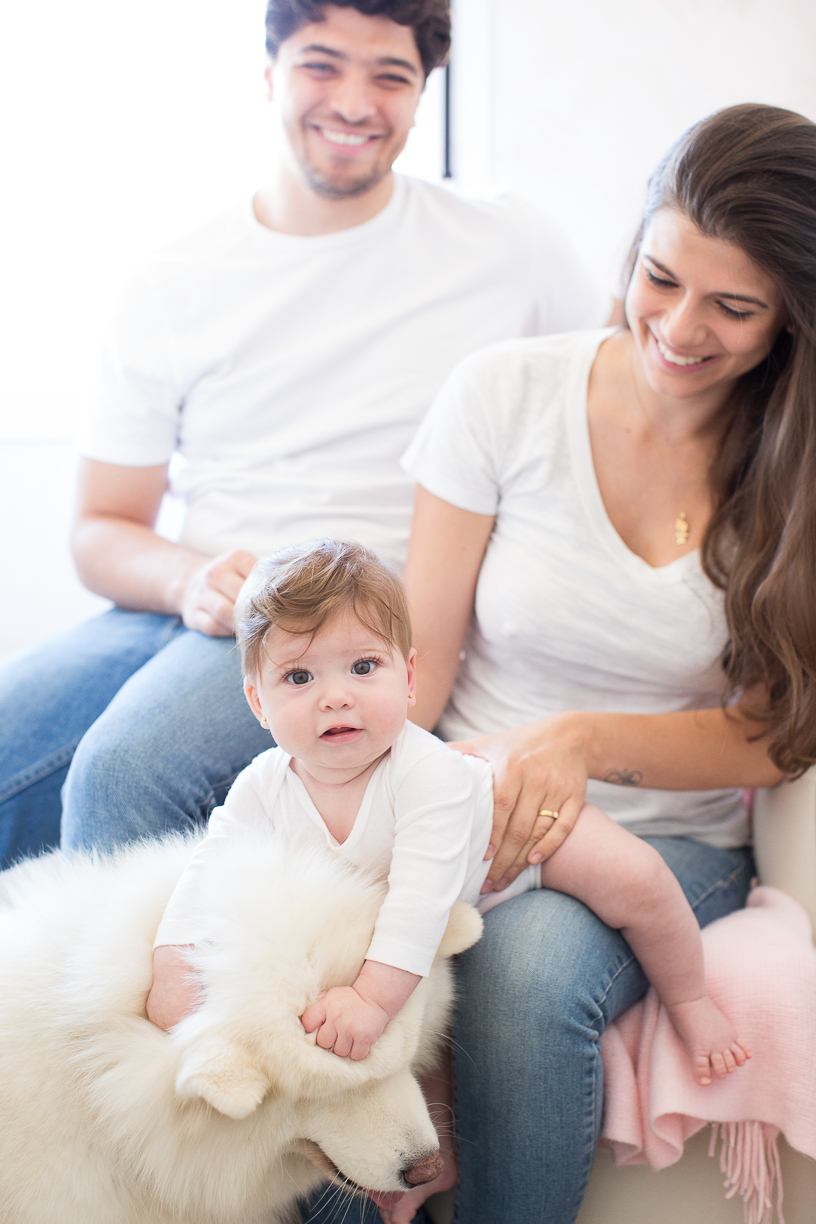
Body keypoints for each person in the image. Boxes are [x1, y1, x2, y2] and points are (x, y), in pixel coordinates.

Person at [0, 0, 609, 869]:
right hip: (202, 605)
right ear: (270, 74)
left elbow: (622, 395)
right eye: (323, 64)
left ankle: (137, 1005)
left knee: (123, 773)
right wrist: (188, 581)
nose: (356, 101)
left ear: (423, 88)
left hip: (344, 622)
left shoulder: (507, 246)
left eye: (390, 75)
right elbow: (100, 529)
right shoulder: (175, 278)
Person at [399, 103, 816, 1224]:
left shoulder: (796, 470)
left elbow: (776, 734)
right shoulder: (504, 393)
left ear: (790, 325)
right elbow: (418, 670)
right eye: (660, 277)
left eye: (733, 308)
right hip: (476, 797)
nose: (679, 329)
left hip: (667, 840)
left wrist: (581, 744)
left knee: (530, 977)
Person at [146, 538, 750, 1224]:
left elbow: (421, 899)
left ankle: (692, 999)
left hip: (514, 847)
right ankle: (427, 1164)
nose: (335, 697)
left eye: (362, 667)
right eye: (299, 679)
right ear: (258, 701)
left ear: (408, 679)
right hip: (439, 914)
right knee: (424, 1022)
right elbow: (208, 866)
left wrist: (371, 1001)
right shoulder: (263, 788)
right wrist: (174, 962)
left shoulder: (424, 773)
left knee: (636, 878)